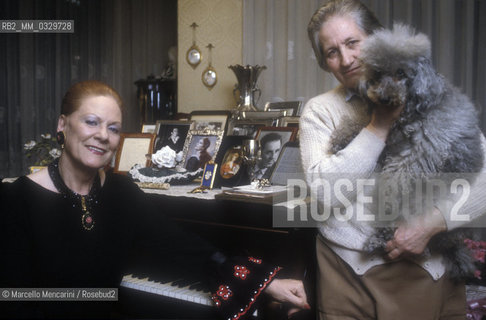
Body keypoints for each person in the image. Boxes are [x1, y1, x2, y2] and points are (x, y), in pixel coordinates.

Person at [0, 80, 309, 319]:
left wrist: (265, 282)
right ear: (62, 125)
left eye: (113, 128)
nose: (103, 136)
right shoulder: (16, 200)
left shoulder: (121, 193)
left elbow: (182, 246)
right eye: (91, 122)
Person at [300, 1, 486, 319]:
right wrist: (379, 124)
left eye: (352, 43)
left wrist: (433, 223)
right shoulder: (320, 111)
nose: (345, 60)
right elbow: (325, 194)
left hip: (422, 270)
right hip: (344, 273)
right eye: (331, 52)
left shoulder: (429, 91)